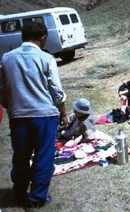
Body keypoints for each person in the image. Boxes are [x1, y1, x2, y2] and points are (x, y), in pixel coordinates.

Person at [0, 21, 68, 208]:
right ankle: (37, 197)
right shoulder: (46, 59)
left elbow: (2, 89)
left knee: (20, 155)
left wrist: (9, 106)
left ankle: (19, 191)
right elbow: (57, 91)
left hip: (18, 115)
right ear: (43, 37)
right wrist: (63, 113)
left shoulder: (6, 58)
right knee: (43, 156)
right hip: (44, 115)